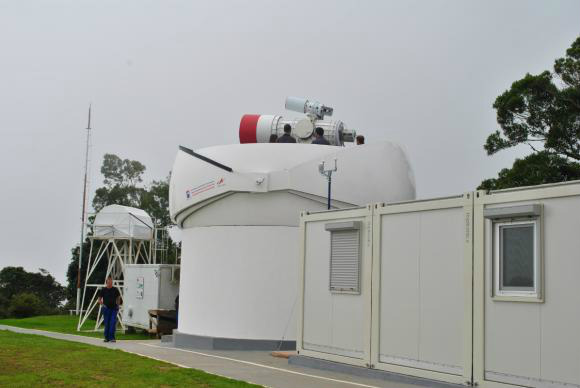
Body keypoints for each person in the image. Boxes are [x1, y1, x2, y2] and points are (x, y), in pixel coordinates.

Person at [98, 276, 121, 343]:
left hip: (114, 309)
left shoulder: (115, 289)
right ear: (106, 282)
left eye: (111, 282)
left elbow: (118, 298)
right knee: (107, 324)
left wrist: (118, 305)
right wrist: (103, 304)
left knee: (112, 323)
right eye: (109, 282)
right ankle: (106, 338)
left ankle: (112, 338)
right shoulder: (103, 290)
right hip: (106, 309)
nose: (110, 283)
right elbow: (99, 299)